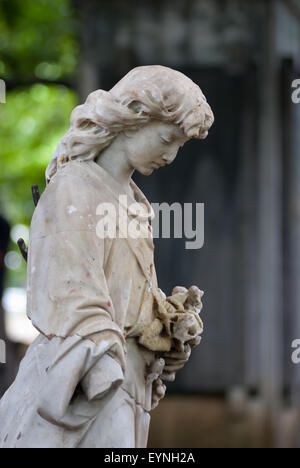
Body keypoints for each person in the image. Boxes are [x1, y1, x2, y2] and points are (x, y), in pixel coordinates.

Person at [0, 65, 214, 448]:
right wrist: (109, 361)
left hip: (126, 381)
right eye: (168, 138)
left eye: (180, 145)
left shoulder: (134, 203)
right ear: (133, 117)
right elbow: (71, 295)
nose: (171, 155)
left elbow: (128, 296)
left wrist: (165, 330)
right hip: (89, 382)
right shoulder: (74, 191)